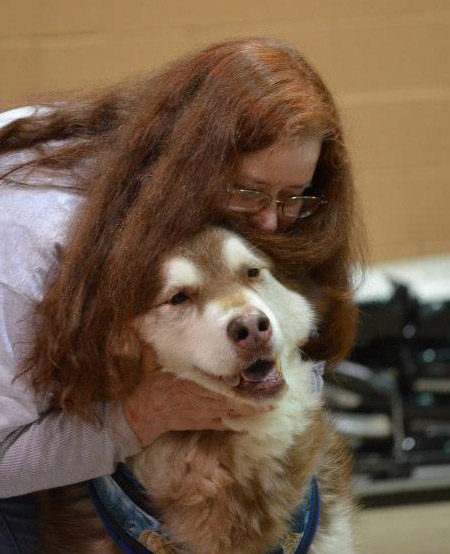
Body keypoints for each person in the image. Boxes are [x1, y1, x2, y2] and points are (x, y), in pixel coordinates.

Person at [0, 38, 363, 552]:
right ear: (188, 166)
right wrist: (138, 419)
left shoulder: (265, 215)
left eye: (290, 197)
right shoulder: (32, 240)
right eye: (250, 192)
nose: (268, 220)